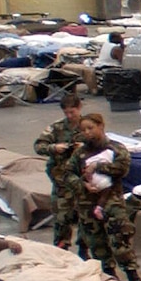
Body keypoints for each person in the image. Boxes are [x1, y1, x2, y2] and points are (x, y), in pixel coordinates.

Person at [70, 113, 141, 281]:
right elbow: (68, 175)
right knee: (97, 243)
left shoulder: (116, 149)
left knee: (120, 240)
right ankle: (110, 276)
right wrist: (83, 184)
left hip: (112, 200)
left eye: (90, 128)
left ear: (101, 126)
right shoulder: (79, 154)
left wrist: (98, 166)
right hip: (88, 202)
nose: (87, 133)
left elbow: (122, 169)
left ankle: (133, 275)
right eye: (83, 130)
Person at [34, 94, 90, 252]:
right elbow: (39, 146)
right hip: (62, 180)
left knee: (85, 216)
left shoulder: (89, 126)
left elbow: (102, 146)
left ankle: (83, 248)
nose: (70, 116)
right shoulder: (56, 127)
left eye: (72, 112)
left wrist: (84, 148)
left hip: (83, 179)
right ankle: (61, 246)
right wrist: (54, 148)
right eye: (66, 113)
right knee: (61, 216)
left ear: (79, 107)